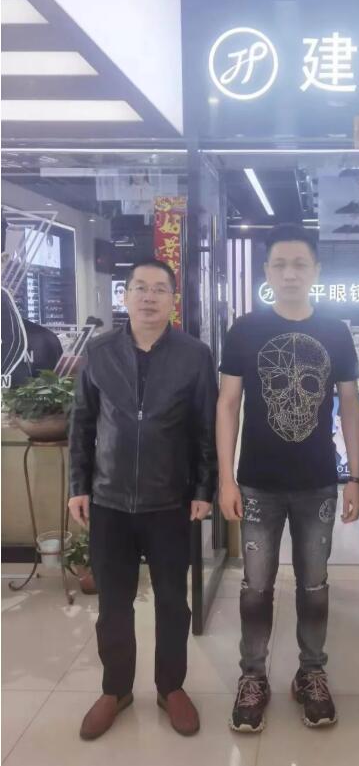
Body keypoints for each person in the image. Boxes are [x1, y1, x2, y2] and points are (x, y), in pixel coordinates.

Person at [217, 224, 359, 733]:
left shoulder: (336, 331)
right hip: (257, 482)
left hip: (317, 482)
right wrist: (226, 479)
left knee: (315, 584)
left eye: (300, 263)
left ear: (315, 271)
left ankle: (311, 673)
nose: (290, 273)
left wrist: (355, 476)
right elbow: (227, 404)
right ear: (267, 272)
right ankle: (253, 676)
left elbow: (350, 405)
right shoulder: (244, 330)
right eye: (280, 264)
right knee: (255, 587)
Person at [68, 258, 218, 741]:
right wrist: (78, 485)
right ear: (125, 296)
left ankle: (170, 687)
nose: (149, 297)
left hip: (170, 501)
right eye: (140, 288)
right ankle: (116, 690)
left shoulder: (194, 355)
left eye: (159, 289)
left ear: (173, 299)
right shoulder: (99, 352)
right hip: (109, 500)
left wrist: (204, 489)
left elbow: (206, 428)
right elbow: (82, 423)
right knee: (114, 604)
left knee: (173, 602)